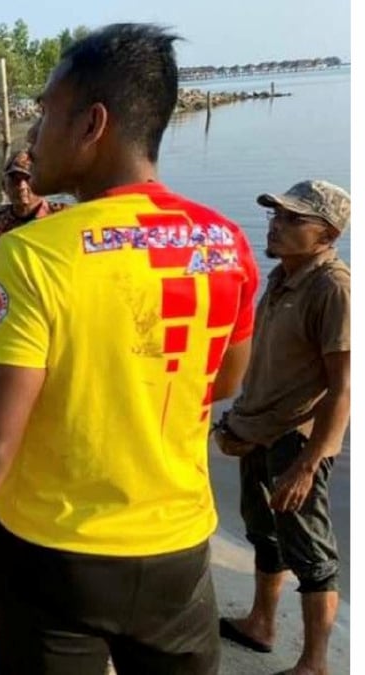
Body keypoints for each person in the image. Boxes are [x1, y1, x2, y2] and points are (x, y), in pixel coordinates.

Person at [0, 24, 262, 675]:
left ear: (94, 123)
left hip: (51, 555)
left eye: (44, 113)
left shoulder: (37, 252)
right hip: (178, 550)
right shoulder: (225, 241)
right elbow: (226, 378)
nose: (33, 139)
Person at [214, 180, 350, 675]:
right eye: (277, 214)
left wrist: (308, 466)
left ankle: (314, 663)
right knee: (264, 535)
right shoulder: (281, 276)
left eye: (294, 219)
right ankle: (261, 624)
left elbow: (342, 390)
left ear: (327, 234)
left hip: (296, 441)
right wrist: (239, 419)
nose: (276, 224)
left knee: (311, 554)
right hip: (260, 432)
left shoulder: (333, 287)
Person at [0, 149, 66, 363]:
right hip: (4, 319)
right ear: (4, 186)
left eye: (28, 179)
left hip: (51, 320)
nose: (22, 187)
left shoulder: (64, 219)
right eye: (15, 180)